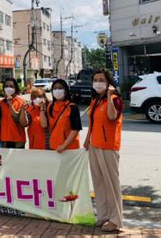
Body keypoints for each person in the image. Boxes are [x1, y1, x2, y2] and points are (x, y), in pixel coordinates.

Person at [84, 69, 124, 232]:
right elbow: (92, 123)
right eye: (95, 80)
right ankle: (103, 215)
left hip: (108, 147)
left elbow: (112, 117)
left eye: (101, 80)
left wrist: (109, 96)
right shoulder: (95, 101)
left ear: (108, 83)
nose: (97, 83)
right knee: (99, 183)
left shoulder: (114, 100)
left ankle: (116, 220)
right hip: (94, 145)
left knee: (111, 183)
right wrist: (87, 141)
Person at [40, 78, 82, 152]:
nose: (57, 90)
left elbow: (75, 129)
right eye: (55, 88)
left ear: (66, 91)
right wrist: (42, 109)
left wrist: (64, 146)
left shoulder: (72, 107)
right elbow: (44, 124)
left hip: (69, 148)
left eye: (60, 88)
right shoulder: (50, 106)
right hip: (54, 146)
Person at [0, 78, 26, 148]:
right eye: (6, 86)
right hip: (4, 141)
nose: (8, 88)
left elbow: (19, 120)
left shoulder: (21, 102)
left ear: (15, 88)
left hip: (18, 141)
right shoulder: (0, 103)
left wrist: (10, 104)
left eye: (11, 86)